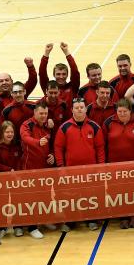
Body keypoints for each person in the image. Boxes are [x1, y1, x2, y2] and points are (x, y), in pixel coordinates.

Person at [55, 98, 106, 232]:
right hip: (71, 171)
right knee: (71, 196)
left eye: (81, 107)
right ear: (72, 110)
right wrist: (61, 167)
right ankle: (71, 221)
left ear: (85, 109)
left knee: (90, 195)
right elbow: (58, 148)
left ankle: (91, 219)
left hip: (91, 170)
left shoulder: (94, 127)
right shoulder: (64, 127)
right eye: (76, 107)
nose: (79, 109)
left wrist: (100, 167)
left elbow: (100, 148)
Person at [104, 98, 134, 228]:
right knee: (119, 192)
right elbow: (104, 143)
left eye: (124, 111)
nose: (122, 114)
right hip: (114, 165)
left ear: (130, 111)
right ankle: (123, 216)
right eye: (119, 111)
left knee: (133, 191)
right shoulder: (109, 123)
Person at [20, 102, 56, 239]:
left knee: (46, 196)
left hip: (45, 168)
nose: (43, 116)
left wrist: (52, 154)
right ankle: (32, 226)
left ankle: (44, 220)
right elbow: (25, 138)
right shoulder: (26, 125)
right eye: (41, 113)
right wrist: (37, 142)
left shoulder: (48, 125)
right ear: (34, 113)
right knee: (31, 199)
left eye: (45, 114)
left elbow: (52, 143)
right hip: (30, 168)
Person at [39, 42, 80, 106]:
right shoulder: (49, 87)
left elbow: (75, 72)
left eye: (64, 74)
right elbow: (42, 73)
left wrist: (67, 52)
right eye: (58, 74)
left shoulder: (73, 87)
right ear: (54, 75)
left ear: (67, 75)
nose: (61, 77)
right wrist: (46, 54)